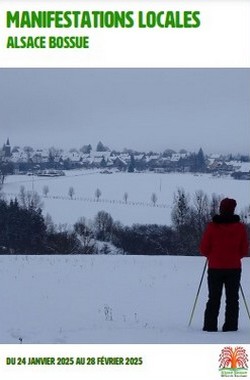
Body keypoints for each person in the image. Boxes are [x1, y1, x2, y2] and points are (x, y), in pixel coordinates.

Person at [199, 197, 248, 332]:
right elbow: (244, 250)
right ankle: (231, 327)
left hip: (215, 267)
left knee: (213, 298)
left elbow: (204, 248)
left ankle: (210, 327)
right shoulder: (240, 228)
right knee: (232, 299)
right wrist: (234, 257)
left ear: (221, 209)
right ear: (233, 209)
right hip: (234, 268)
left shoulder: (212, 226)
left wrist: (212, 255)